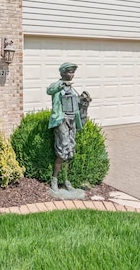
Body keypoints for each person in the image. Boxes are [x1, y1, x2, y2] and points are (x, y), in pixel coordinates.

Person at [46, 62, 92, 192]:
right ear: (62, 73)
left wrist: (84, 100)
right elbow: (49, 90)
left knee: (70, 152)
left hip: (72, 120)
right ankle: (54, 180)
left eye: (72, 72)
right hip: (62, 120)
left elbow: (75, 103)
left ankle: (66, 180)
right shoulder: (58, 86)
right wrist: (62, 85)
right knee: (62, 150)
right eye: (69, 72)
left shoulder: (72, 89)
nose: (71, 75)